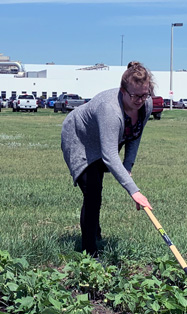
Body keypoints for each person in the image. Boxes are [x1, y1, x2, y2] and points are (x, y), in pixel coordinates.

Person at [61, 61, 155, 257]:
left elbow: (135, 136)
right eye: (135, 96)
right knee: (93, 191)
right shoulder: (109, 109)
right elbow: (110, 155)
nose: (140, 100)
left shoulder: (146, 104)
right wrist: (134, 191)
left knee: (96, 190)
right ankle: (90, 252)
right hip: (80, 138)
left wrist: (128, 166)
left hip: (102, 137)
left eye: (144, 94)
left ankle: (96, 233)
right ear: (122, 90)